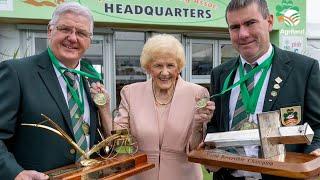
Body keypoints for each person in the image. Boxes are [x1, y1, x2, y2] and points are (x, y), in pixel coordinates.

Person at [206, 0, 320, 179]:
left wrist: (315, 150)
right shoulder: (220, 74)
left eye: (250, 23)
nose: (243, 34)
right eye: (234, 27)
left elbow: (317, 125)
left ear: (269, 22)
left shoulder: (304, 69)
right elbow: (215, 125)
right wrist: (210, 148)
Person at [0, 2, 104, 179]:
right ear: (50, 30)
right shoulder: (16, 73)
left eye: (81, 33)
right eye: (65, 29)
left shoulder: (91, 77)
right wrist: (15, 173)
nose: (73, 38)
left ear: (89, 40)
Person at [90, 34, 215, 180]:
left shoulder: (197, 94)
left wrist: (198, 124)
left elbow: (195, 149)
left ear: (179, 67)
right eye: (158, 65)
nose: (164, 72)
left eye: (170, 65)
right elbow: (116, 142)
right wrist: (104, 109)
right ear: (148, 67)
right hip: (140, 175)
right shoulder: (131, 93)